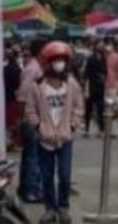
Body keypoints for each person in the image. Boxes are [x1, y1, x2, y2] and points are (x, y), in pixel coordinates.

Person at [25, 41, 84, 224]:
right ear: (48, 62)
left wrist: (72, 126)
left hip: (65, 138)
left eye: (62, 60)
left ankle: (64, 207)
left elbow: (79, 107)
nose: (60, 64)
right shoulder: (37, 86)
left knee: (65, 175)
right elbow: (30, 111)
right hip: (44, 140)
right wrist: (38, 128)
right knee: (47, 176)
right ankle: (50, 209)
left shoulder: (72, 84)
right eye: (56, 60)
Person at [17, 38, 47, 203]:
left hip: (36, 117)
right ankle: (31, 190)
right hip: (30, 118)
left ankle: (26, 188)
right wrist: (20, 120)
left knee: (31, 154)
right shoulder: (33, 70)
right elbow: (22, 96)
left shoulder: (36, 68)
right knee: (33, 156)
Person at [81, 42, 107, 137]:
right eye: (100, 45)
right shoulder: (90, 59)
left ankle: (101, 130)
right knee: (88, 109)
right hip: (91, 86)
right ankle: (86, 129)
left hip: (100, 87)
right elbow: (87, 75)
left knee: (101, 109)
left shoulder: (103, 58)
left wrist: (103, 78)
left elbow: (105, 72)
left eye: (102, 45)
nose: (102, 47)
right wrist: (86, 89)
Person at [4, 44, 23, 149]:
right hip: (14, 98)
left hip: (7, 97)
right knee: (13, 122)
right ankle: (12, 142)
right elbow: (19, 84)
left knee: (9, 122)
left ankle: (9, 142)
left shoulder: (5, 69)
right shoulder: (18, 69)